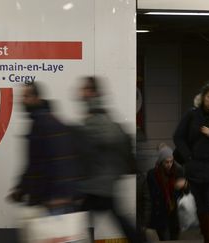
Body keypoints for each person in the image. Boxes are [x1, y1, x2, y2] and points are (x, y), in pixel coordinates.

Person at [78, 76, 142, 243]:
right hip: (100, 182)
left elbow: (109, 140)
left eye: (85, 89)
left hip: (97, 183)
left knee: (82, 219)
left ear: (93, 92)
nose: (81, 92)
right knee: (115, 218)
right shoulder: (97, 115)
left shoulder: (96, 118)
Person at [8, 82, 88, 215]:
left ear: (36, 98)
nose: (22, 101)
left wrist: (21, 190)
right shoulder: (48, 120)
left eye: (26, 96)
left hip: (55, 199)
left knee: (58, 234)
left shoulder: (42, 124)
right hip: (59, 196)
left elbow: (39, 164)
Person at [174, 81, 209, 243]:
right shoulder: (191, 115)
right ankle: (206, 237)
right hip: (194, 170)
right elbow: (178, 137)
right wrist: (188, 157)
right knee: (201, 207)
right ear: (203, 97)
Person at [146, 143, 186, 241]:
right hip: (160, 210)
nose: (169, 164)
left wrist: (184, 185)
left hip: (173, 209)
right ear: (161, 162)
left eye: (171, 161)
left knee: (174, 235)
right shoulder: (152, 174)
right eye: (166, 162)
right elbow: (150, 195)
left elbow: (185, 191)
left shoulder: (178, 171)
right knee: (163, 237)